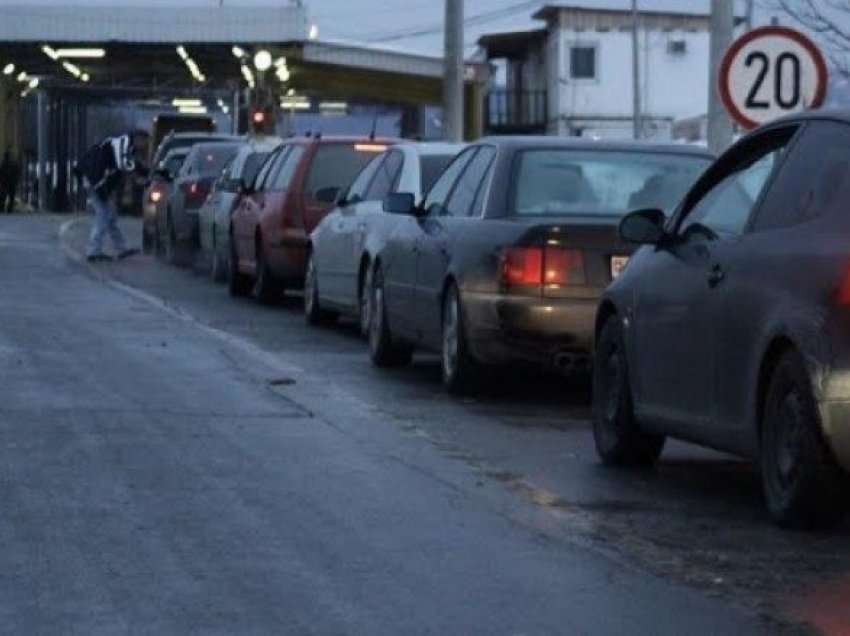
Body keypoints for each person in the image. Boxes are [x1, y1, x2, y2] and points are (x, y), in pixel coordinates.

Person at [74, 134, 139, 262]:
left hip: (93, 180)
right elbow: (100, 174)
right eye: (143, 140)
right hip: (94, 181)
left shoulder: (117, 151)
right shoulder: (117, 152)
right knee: (103, 215)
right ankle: (93, 251)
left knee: (110, 216)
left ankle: (121, 248)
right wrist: (102, 190)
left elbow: (118, 173)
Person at [0, 149, 20, 214]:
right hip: (11, 183)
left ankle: (2, 208)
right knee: (11, 197)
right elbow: (17, 173)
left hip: (5, 183)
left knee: (3, 197)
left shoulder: (3, 164)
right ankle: (9, 209)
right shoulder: (13, 164)